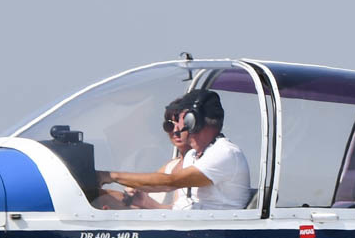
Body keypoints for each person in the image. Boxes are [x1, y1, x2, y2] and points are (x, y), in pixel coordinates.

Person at [96, 89, 252, 210]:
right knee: (103, 199)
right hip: (190, 231)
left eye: (179, 120)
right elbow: (179, 207)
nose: (175, 128)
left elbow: (170, 182)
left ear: (193, 121)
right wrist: (141, 201)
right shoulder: (193, 155)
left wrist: (110, 176)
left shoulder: (225, 153)